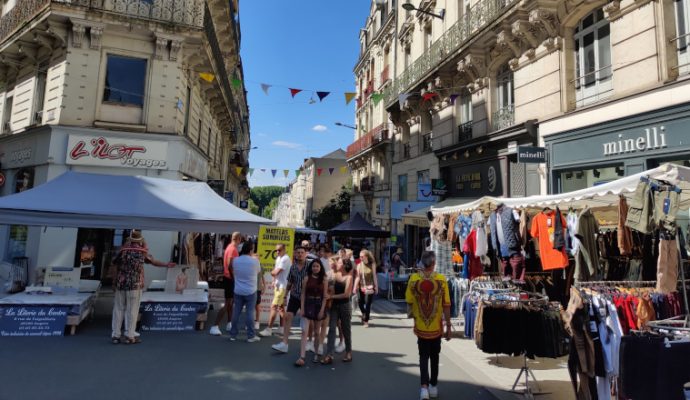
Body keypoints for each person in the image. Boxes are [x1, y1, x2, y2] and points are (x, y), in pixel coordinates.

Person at [111, 229, 175, 344]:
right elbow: (154, 262)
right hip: (135, 285)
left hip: (121, 283)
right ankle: (130, 336)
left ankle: (116, 335)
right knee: (132, 310)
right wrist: (166, 264)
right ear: (140, 240)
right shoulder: (142, 252)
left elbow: (114, 265)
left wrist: (114, 281)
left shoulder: (122, 251)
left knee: (119, 309)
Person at [405, 251, 451, 400]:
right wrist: (448, 326)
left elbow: (409, 301)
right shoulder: (441, 280)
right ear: (433, 263)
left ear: (422, 263)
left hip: (420, 326)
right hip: (436, 327)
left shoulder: (413, 279)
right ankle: (433, 386)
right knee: (435, 356)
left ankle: (424, 388)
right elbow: (446, 305)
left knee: (423, 357)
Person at [271, 246, 309, 354]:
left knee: (306, 321)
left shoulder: (310, 266)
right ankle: (284, 343)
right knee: (288, 316)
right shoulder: (293, 267)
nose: (300, 254)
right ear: (295, 254)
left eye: (302, 252)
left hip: (307, 297)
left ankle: (309, 342)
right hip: (294, 295)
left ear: (305, 254)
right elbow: (290, 282)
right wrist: (285, 296)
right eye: (298, 253)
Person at [294, 258, 328, 366]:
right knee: (304, 331)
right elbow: (303, 294)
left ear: (320, 267)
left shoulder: (324, 279)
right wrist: (302, 308)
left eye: (317, 266)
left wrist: (322, 309)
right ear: (311, 267)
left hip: (318, 304)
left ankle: (316, 353)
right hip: (308, 304)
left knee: (317, 332)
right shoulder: (306, 278)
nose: (315, 268)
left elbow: (325, 296)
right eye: (313, 266)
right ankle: (302, 356)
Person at [228, 241, 262, 342]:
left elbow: (231, 268)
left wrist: (235, 277)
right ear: (251, 250)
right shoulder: (255, 261)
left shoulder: (235, 260)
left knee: (236, 312)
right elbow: (258, 272)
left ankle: (233, 335)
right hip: (251, 290)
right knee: (250, 313)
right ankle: (251, 336)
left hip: (238, 290)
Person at [322, 257, 354, 364]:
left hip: (345, 306)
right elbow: (330, 287)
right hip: (334, 306)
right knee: (331, 329)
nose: (337, 264)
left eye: (339, 262)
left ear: (345, 265)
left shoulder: (349, 277)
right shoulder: (335, 275)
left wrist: (331, 297)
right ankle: (329, 355)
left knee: (346, 329)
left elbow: (346, 295)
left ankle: (348, 352)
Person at [209, 232, 242, 336]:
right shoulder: (233, 249)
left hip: (228, 278)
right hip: (229, 278)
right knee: (227, 303)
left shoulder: (229, 247)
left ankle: (229, 323)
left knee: (230, 302)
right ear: (239, 239)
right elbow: (229, 266)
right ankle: (215, 326)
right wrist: (234, 279)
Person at [259, 243, 290, 337]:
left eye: (279, 250)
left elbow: (275, 272)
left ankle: (269, 329)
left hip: (282, 287)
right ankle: (283, 328)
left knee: (273, 307)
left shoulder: (285, 259)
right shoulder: (278, 258)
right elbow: (275, 271)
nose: (277, 252)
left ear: (284, 249)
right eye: (276, 250)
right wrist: (274, 280)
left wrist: (273, 274)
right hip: (278, 286)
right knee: (281, 308)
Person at [354, 249, 378, 327]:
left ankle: (366, 320)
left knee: (368, 303)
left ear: (366, 256)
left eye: (362, 256)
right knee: (360, 302)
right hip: (361, 286)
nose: (360, 258)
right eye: (360, 256)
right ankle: (364, 313)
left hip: (370, 287)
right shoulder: (359, 265)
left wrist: (376, 286)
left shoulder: (372, 264)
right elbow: (357, 277)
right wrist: (354, 287)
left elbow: (374, 276)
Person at [254, 262, 265, 331]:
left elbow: (262, 276)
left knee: (257, 306)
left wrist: (264, 285)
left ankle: (257, 322)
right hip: (250, 289)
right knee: (249, 307)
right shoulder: (249, 265)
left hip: (258, 289)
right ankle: (249, 323)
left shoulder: (261, 266)